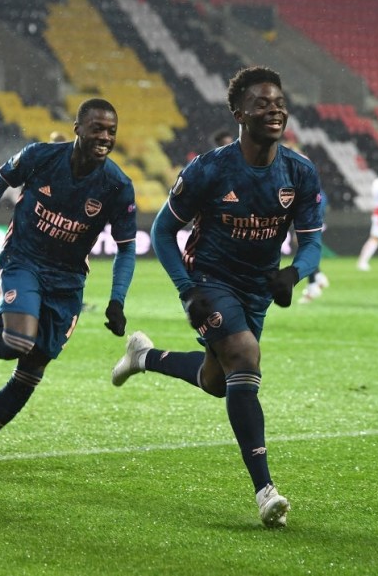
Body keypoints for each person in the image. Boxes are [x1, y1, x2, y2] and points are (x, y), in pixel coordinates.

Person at [111, 66, 324, 528]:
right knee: (245, 356)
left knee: (217, 379)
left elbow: (311, 243)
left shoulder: (300, 173)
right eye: (262, 103)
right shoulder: (210, 169)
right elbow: (163, 232)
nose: (275, 109)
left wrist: (295, 273)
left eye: (279, 101)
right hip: (209, 280)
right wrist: (188, 292)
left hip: (257, 289)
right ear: (238, 113)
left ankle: (144, 357)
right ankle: (266, 490)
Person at [0, 98, 137, 478]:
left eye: (111, 131)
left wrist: (117, 300)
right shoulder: (41, 157)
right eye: (97, 128)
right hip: (23, 261)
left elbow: (126, 249)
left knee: (30, 372)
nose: (105, 137)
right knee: (18, 340)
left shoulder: (117, 186)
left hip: (67, 282)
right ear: (77, 128)